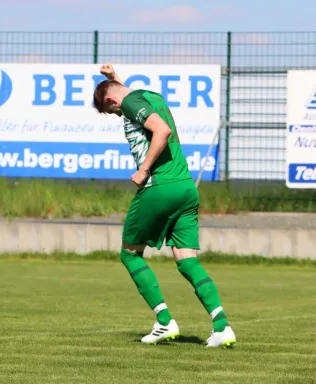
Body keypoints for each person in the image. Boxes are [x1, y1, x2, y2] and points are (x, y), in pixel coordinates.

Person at [92, 64, 236, 348]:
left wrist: (144, 169)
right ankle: (222, 326)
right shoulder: (148, 96)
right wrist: (114, 79)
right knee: (187, 259)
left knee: (130, 254)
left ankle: (164, 321)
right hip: (186, 187)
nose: (119, 115)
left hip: (159, 187)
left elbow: (162, 130)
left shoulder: (130, 102)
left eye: (114, 112)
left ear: (112, 102)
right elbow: (127, 95)